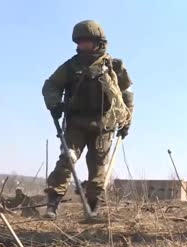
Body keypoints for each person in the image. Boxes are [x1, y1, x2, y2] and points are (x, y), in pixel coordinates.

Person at [42, 20, 134, 219]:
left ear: (98, 41)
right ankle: (53, 204)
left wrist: (127, 120)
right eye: (80, 41)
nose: (82, 45)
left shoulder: (114, 66)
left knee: (98, 168)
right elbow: (51, 85)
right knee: (67, 160)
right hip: (76, 123)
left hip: (104, 125)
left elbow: (126, 93)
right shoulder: (71, 66)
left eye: (86, 41)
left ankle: (92, 208)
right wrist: (55, 104)